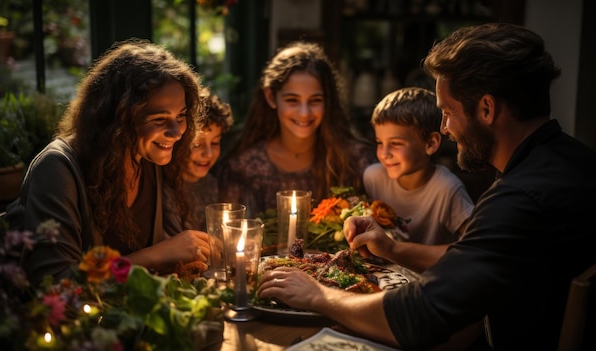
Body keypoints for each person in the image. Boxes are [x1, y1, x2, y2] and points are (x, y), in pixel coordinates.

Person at [257, 23, 596, 350]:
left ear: (487, 109)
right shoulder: (575, 162)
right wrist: (391, 249)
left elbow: (416, 318)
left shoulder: (519, 201)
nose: (445, 128)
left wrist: (318, 295)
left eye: (448, 112)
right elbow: (476, 261)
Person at [4, 39, 212, 285]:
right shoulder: (57, 168)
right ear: (118, 118)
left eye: (181, 116)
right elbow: (57, 286)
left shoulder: (146, 158)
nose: (177, 132)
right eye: (159, 119)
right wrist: (157, 255)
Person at [216, 41, 375, 216]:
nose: (304, 113)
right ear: (271, 97)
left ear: (328, 100)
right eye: (292, 100)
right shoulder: (243, 168)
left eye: (315, 100)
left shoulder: (353, 161)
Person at [363, 87, 474, 245]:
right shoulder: (373, 178)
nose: (384, 153)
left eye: (395, 144)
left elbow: (476, 247)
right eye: (380, 143)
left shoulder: (447, 189)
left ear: (430, 143)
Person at [163, 87, 234, 233]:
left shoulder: (212, 184)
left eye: (215, 142)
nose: (208, 154)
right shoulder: (163, 189)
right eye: (196, 144)